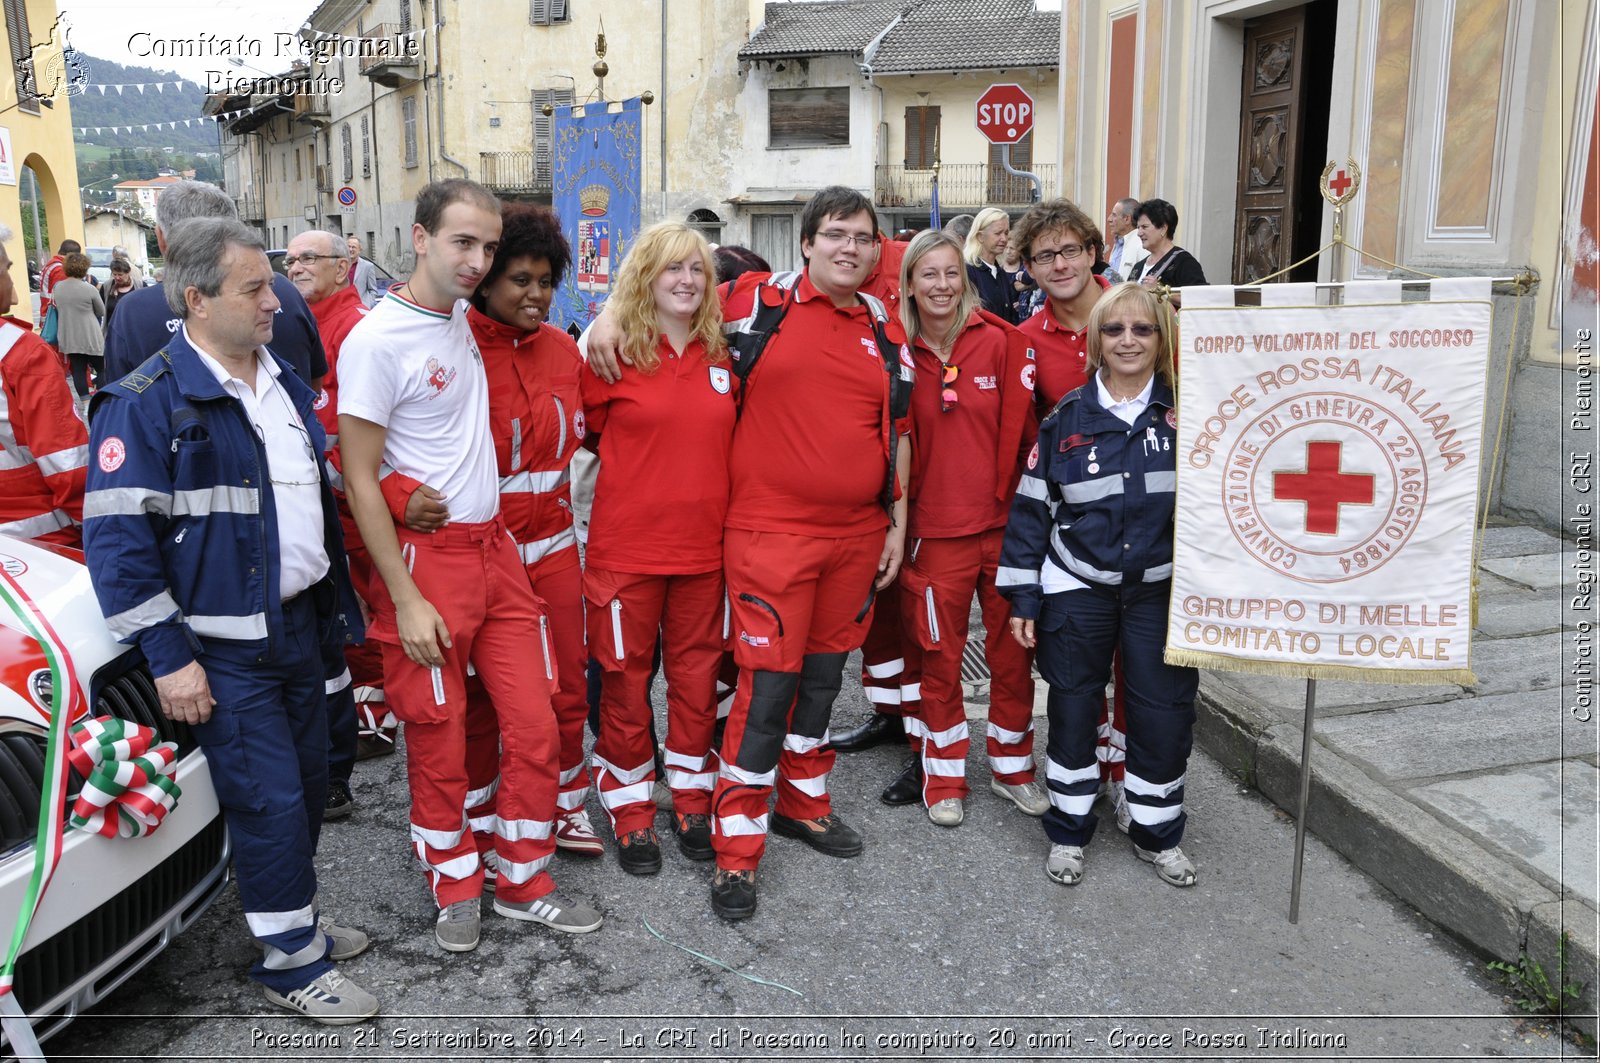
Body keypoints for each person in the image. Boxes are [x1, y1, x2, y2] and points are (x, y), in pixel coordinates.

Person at [586, 186, 912, 922]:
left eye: (863, 237)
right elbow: (665, 291)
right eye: (835, 234)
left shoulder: (884, 325)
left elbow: (897, 430)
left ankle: (801, 799)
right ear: (806, 243)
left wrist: (896, 519)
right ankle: (737, 852)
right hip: (767, 537)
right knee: (763, 692)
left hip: (854, 538)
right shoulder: (752, 303)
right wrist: (606, 313)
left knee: (823, 682)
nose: (849, 247)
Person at [82, 217, 375, 1023]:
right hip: (223, 648)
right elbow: (118, 546)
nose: (275, 299)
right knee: (269, 798)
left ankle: (294, 920)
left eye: (273, 284)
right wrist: (170, 658)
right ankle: (291, 959)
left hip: (299, 627)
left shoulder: (280, 378)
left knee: (309, 789)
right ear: (197, 299)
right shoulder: (144, 403)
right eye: (255, 288)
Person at [338, 179, 603, 954]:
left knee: (535, 720)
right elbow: (357, 473)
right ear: (419, 238)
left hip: (500, 557)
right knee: (440, 733)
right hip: (432, 565)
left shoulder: (461, 317)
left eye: (488, 247)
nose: (478, 260)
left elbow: (545, 326)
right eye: (464, 243)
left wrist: (613, 312)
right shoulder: (375, 340)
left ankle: (522, 878)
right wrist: (405, 596)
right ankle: (455, 883)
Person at [998, 281, 1198, 889]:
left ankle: (1156, 832)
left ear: (1162, 341)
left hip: (1157, 592)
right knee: (1075, 706)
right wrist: (1024, 597)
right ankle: (1069, 828)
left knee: (1163, 713)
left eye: (1143, 329)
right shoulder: (1066, 419)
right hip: (1077, 587)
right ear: (1095, 342)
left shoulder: (1190, 414)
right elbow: (1032, 511)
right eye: (1114, 330)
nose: (1128, 340)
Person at [580, 221, 735, 873]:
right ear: (644, 276)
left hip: (705, 557)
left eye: (697, 269)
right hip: (625, 556)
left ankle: (692, 798)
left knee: (698, 685)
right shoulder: (608, 354)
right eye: (672, 268)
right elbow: (584, 439)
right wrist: (606, 316)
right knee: (623, 684)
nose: (686, 280)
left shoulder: (725, 354)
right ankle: (633, 811)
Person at [886, 229, 1043, 826]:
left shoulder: (1002, 343)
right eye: (928, 274)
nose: (942, 286)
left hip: (1003, 531)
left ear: (966, 279)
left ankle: (1012, 769)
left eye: (952, 273)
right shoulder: (893, 348)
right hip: (931, 534)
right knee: (939, 657)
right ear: (909, 284)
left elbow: (1031, 437)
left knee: (1010, 658)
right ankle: (944, 776)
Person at [463, 203, 598, 858]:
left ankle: (566, 806)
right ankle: (480, 813)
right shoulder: (453, 348)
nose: (536, 294)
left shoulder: (566, 349)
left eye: (546, 280)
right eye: (520, 279)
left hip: (556, 550)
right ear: (487, 278)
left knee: (569, 682)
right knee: (487, 698)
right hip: (483, 556)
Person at [1011, 198, 1127, 825]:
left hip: (1145, 530)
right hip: (1073, 539)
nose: (1059, 264)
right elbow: (1028, 446)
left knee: (1138, 671)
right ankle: (1078, 781)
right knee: (1077, 671)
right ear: (1028, 267)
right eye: (1043, 255)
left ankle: (1130, 783)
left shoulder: (1143, 314)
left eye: (1070, 250)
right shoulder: (1025, 342)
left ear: (1091, 250)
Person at [283, 228, 372, 820]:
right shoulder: (300, 320)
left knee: (365, 609)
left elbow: (344, 424)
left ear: (345, 267)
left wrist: (335, 484)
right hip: (327, 505)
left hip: (352, 504)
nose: (294, 267)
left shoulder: (355, 326)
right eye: (288, 259)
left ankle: (374, 711)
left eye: (307, 258)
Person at [104, 180, 327, 391]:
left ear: (161, 238)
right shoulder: (288, 292)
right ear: (196, 301)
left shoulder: (133, 312)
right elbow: (313, 383)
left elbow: (118, 400)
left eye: (266, 285)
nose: (269, 301)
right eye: (251, 289)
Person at [0, 223, 87, 546]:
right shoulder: (22, 354)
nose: (14, 287)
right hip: (38, 544)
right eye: (7, 269)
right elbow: (68, 464)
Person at [1131, 198, 1207, 307]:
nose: (1139, 233)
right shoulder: (1138, 267)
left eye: (1144, 227)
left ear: (1163, 228)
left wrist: (1161, 292)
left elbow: (1201, 301)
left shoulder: (1184, 263)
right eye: (1138, 227)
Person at [52, 252, 105, 397]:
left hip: (69, 335)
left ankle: (85, 403)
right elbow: (101, 311)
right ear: (84, 268)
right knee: (101, 368)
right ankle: (100, 399)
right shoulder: (89, 288)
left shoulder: (58, 288)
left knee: (79, 370)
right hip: (89, 334)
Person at [964, 208, 1017, 323]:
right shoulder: (967, 271)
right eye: (998, 233)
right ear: (980, 237)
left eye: (1006, 233)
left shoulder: (1000, 273)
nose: (1004, 239)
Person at [1105, 197, 1148, 281]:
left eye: (1114, 215)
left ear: (1127, 219)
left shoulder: (1141, 245)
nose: (1109, 219)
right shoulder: (1118, 243)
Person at [38, 239, 77, 332]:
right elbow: (63, 296)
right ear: (71, 255)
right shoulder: (60, 269)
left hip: (48, 312)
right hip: (55, 315)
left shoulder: (52, 264)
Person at [102, 258, 137, 336]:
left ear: (128, 272)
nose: (117, 278)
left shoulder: (139, 285)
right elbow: (101, 308)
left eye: (120, 274)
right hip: (113, 333)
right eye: (114, 274)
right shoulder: (107, 286)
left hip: (134, 332)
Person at [347, 235, 380, 308]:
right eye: (348, 246)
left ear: (359, 249)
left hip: (360, 308)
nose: (350, 249)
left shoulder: (368, 266)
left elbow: (373, 290)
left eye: (353, 247)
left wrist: (367, 305)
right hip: (343, 308)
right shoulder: (340, 265)